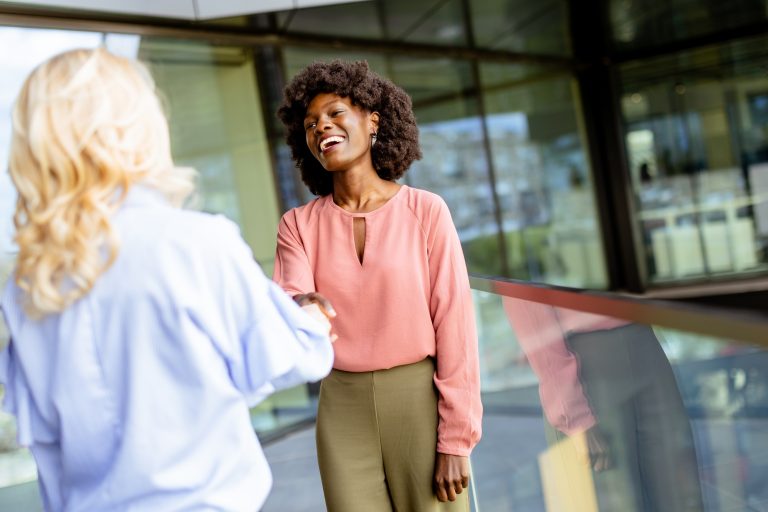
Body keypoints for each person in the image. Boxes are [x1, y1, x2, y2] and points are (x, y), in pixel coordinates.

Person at [0, 48, 334, 511]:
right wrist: (313, 323)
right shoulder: (193, 243)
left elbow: (47, 449)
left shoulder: (25, 286)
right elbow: (281, 361)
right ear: (139, 127)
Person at [274, 60, 482, 511]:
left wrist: (457, 439)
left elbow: (456, 327)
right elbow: (291, 301)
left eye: (334, 113)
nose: (321, 127)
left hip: (419, 400)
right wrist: (298, 305)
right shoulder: (298, 225)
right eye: (310, 124)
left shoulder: (427, 211)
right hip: (341, 404)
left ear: (373, 121)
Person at [503, 297, 704, 511]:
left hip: (645, 342)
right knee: (617, 500)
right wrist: (573, 412)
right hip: (587, 370)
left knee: (682, 496)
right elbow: (524, 302)